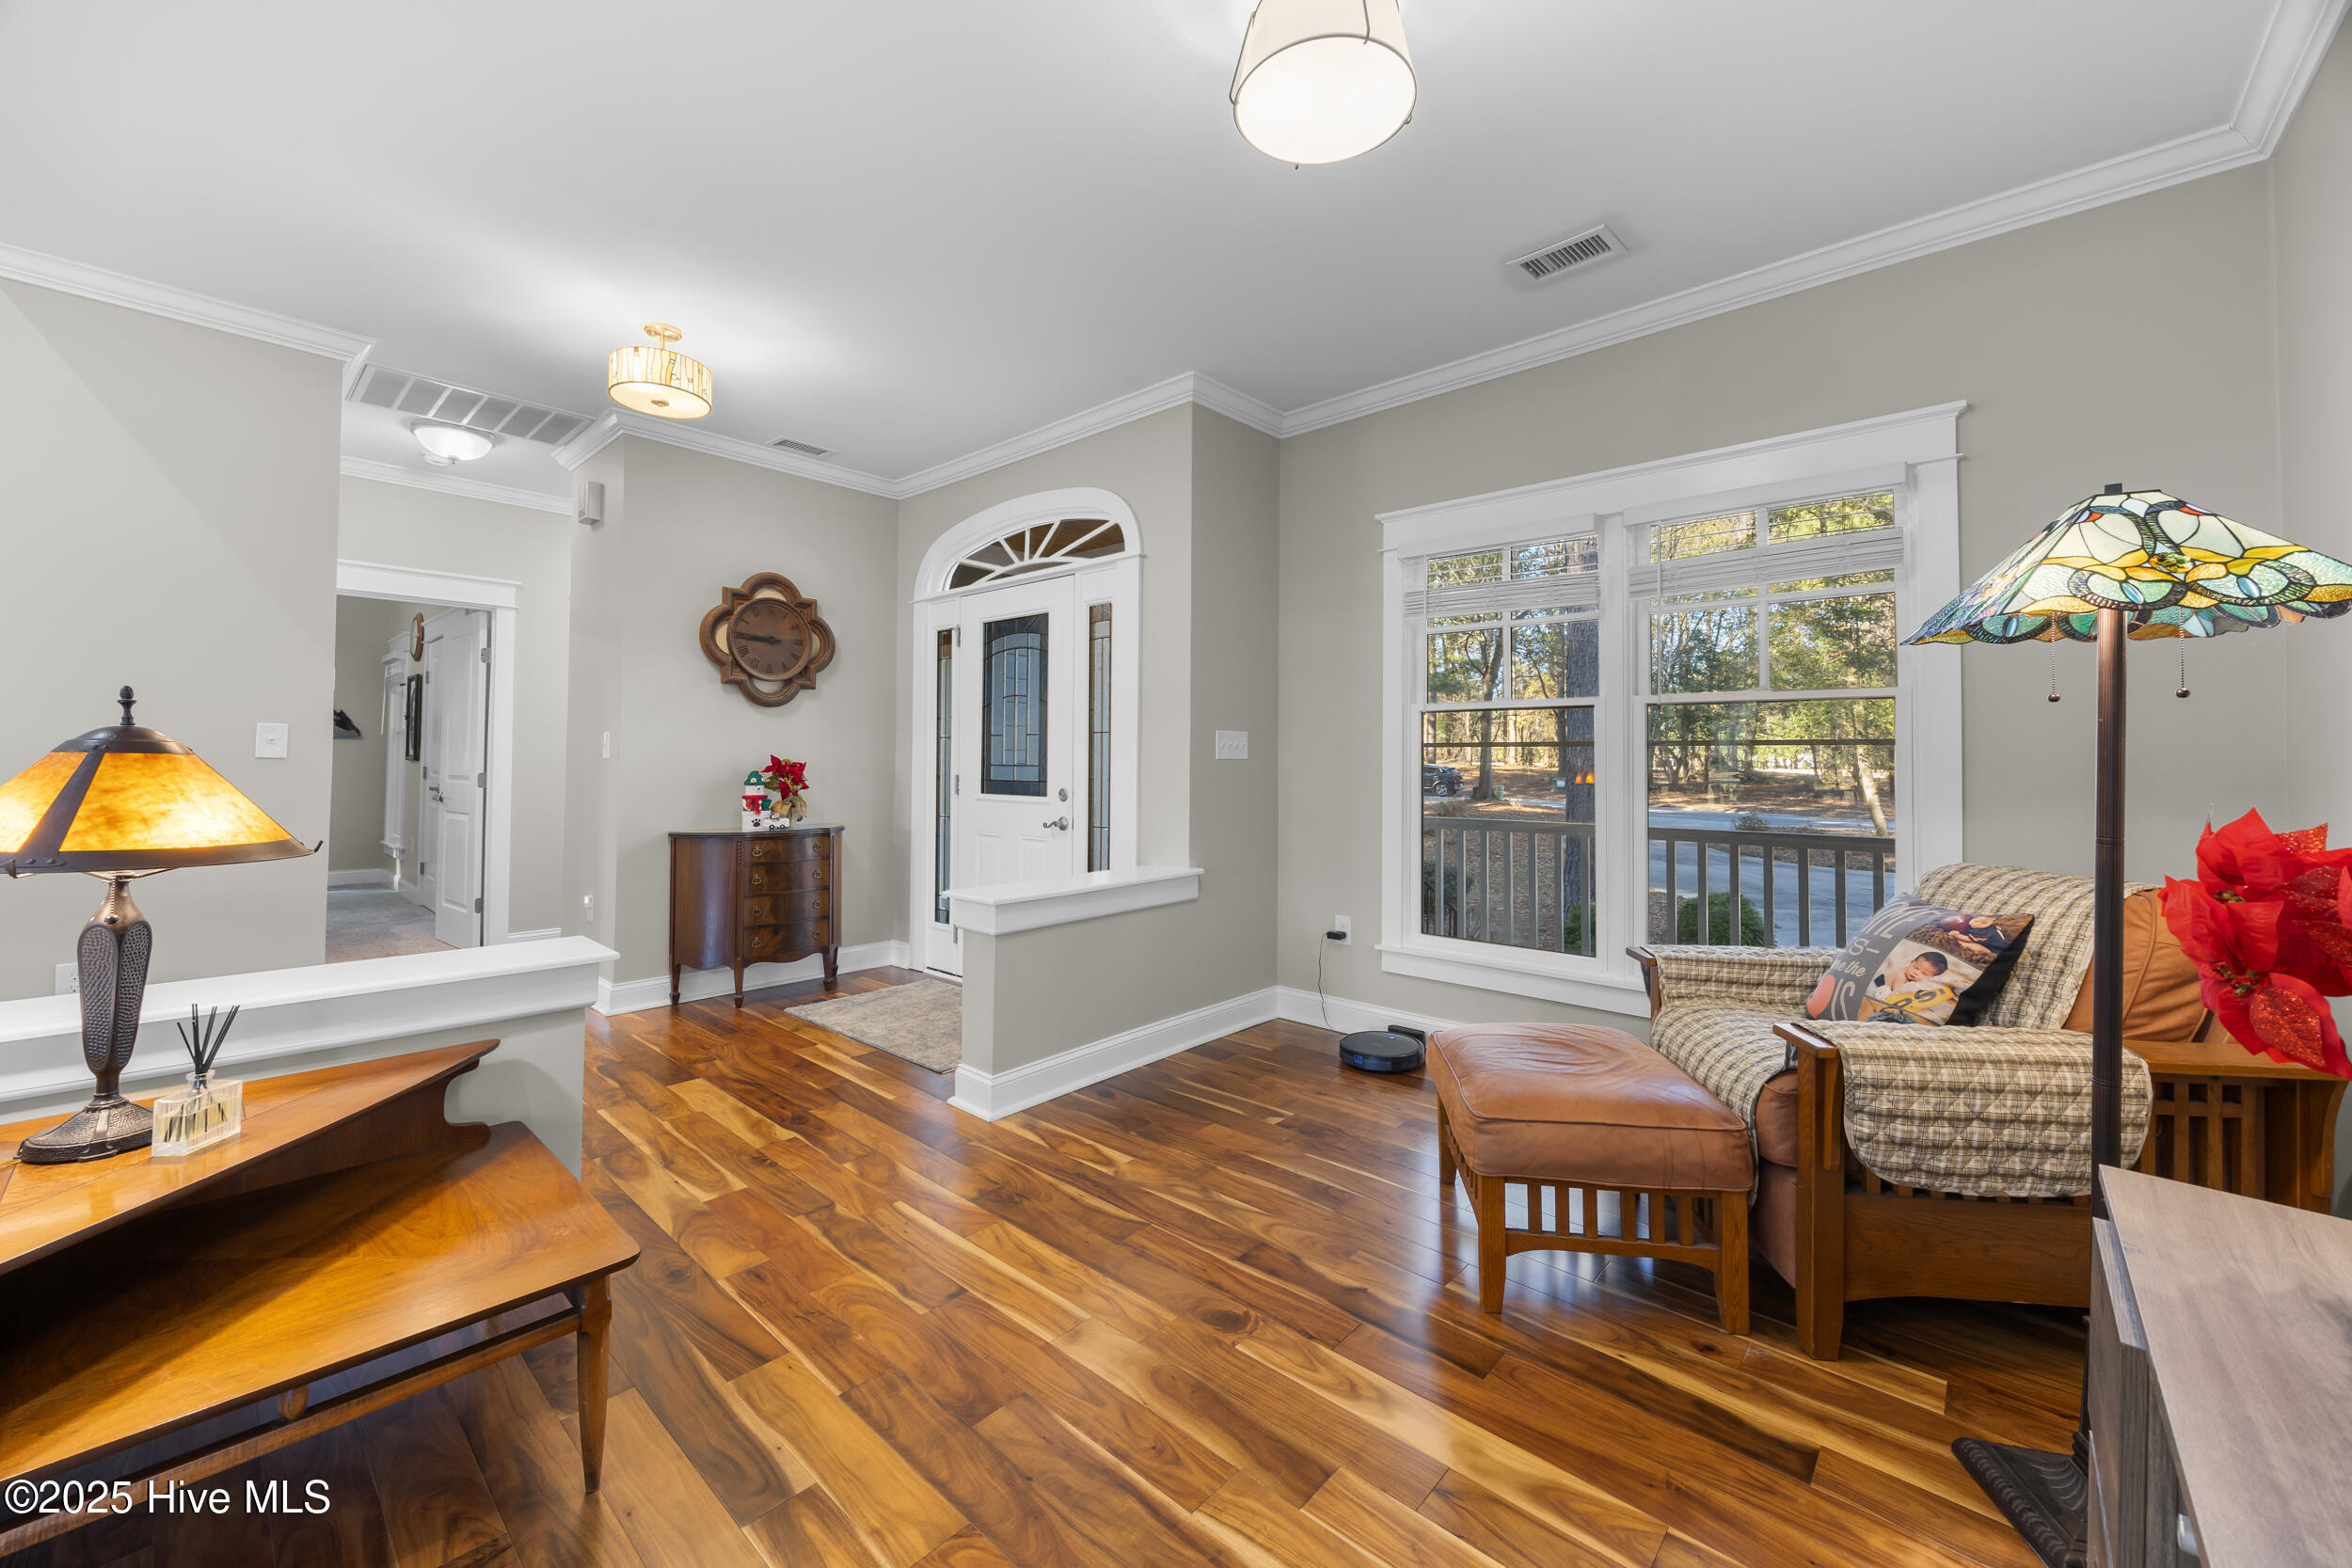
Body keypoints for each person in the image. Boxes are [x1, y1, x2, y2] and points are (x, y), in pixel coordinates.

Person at [1860, 948, 1956, 1023]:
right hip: (1879, 986)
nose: (1916, 973)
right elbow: (1898, 994)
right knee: (1885, 997)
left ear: (1932, 977)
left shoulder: (1918, 980)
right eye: (1916, 968)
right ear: (1912, 962)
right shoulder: (1901, 975)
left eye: (1924, 974)